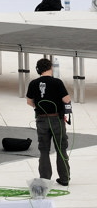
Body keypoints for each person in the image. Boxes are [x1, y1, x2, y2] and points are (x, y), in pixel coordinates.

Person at [26, 58, 71, 186]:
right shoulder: (57, 82)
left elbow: (29, 102)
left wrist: (39, 107)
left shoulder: (33, 83)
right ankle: (64, 178)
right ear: (50, 68)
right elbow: (67, 100)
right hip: (56, 119)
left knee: (44, 150)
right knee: (61, 149)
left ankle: (45, 179)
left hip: (41, 119)